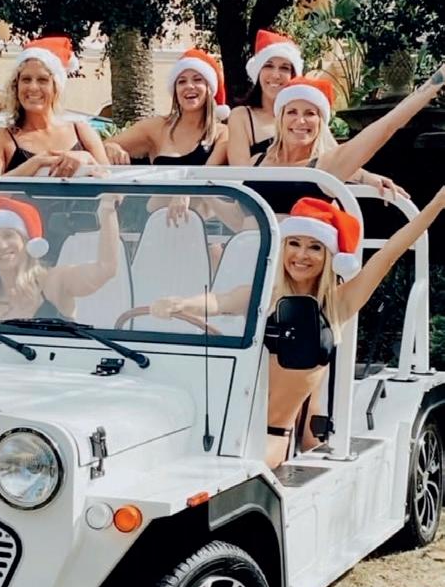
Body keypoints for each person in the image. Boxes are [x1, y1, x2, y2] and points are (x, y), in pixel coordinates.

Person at [150, 189, 445, 468]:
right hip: (216, 427)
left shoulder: (337, 304)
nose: (301, 255)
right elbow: (218, 301)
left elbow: (389, 253)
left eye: (315, 247)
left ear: (329, 256)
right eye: (294, 243)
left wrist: (438, 203)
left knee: (226, 472)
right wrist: (181, 303)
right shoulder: (263, 295)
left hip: (270, 436)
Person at [255, 66, 445, 190]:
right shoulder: (257, 161)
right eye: (292, 112)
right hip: (250, 241)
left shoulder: (326, 166)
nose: (300, 121)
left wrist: (438, 79)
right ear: (280, 119)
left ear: (321, 122)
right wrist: (364, 176)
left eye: (310, 113)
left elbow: (388, 125)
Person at [0, 193, 120, 322]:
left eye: (8, 235)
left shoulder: (55, 280)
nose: (2, 246)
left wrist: (108, 208)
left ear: (26, 240)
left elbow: (106, 268)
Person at [0, 36, 108, 177]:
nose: (33, 87)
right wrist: (35, 164)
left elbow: (112, 184)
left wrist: (88, 159)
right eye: (26, 79)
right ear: (16, 86)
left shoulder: (82, 132)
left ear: (56, 87)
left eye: (42, 80)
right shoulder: (1, 138)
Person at [104, 48, 229, 167]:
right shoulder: (155, 127)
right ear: (175, 90)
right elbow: (104, 146)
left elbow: (207, 176)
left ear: (209, 89)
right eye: (181, 81)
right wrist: (111, 147)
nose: (189, 86)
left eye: (197, 80)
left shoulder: (221, 133)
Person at [227, 29, 303, 164]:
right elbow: (239, 172)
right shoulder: (241, 116)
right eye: (268, 66)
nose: (276, 75)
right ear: (258, 71)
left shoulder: (306, 117)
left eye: (284, 68)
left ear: (293, 75)